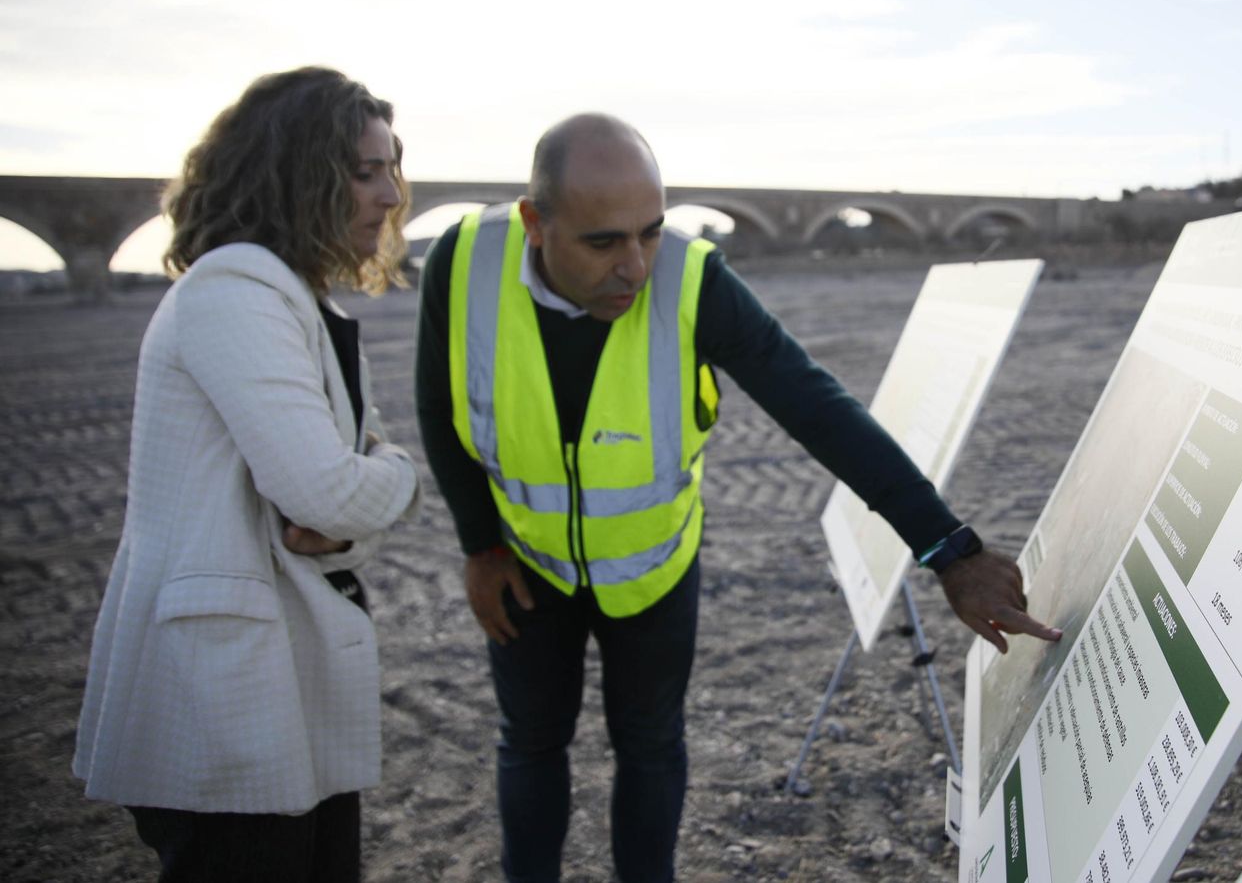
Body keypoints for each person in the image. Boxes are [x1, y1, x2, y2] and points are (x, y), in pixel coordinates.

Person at [414, 112, 1060, 883]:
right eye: (603, 242)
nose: (635, 265)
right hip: (525, 563)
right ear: (534, 223)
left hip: (653, 569)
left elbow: (815, 405)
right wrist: (478, 543)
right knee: (529, 742)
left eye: (649, 233)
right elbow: (439, 405)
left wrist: (950, 550)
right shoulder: (463, 265)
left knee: (650, 747)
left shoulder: (693, 279)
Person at [74, 67, 422, 883]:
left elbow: (330, 517)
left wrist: (354, 502)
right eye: (366, 171)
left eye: (393, 168)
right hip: (224, 684)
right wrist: (400, 477)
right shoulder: (237, 290)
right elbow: (325, 493)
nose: (392, 195)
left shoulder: (295, 298)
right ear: (296, 173)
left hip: (279, 673)